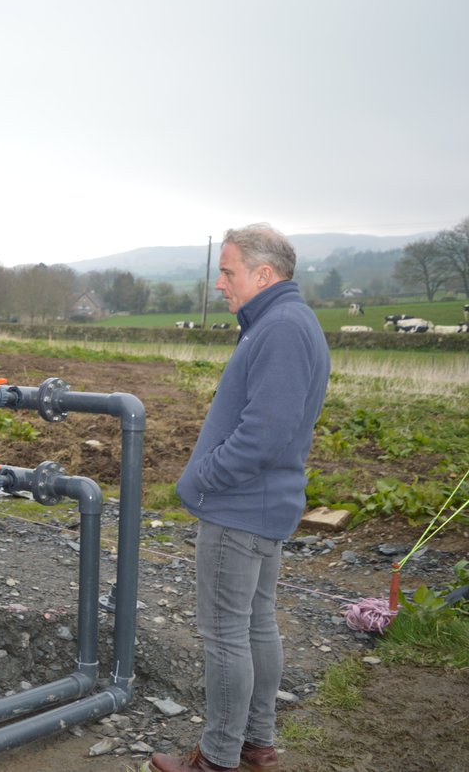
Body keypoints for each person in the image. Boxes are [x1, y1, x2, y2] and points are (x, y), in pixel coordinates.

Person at [149, 224, 330, 772]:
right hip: (264, 507)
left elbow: (264, 434)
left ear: (263, 274)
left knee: (225, 633)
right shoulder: (286, 322)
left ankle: (218, 757)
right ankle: (256, 744)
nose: (220, 284)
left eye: (227, 272)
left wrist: (199, 480)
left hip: (239, 508)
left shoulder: (279, 328)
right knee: (256, 625)